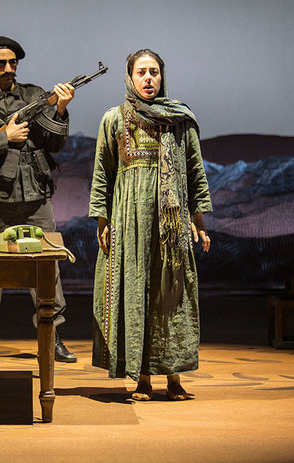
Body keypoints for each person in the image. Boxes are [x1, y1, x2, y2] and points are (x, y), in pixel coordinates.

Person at [88, 49, 212, 401]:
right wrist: (103, 219)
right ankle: (141, 377)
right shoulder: (114, 119)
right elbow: (103, 173)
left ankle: (173, 377)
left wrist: (198, 220)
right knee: (136, 293)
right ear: (129, 76)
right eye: (141, 72)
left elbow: (194, 171)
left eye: (154, 72)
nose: (148, 79)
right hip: (130, 222)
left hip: (170, 225)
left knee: (171, 294)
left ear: (162, 76)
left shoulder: (179, 120)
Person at [0, 36, 77, 364]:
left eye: (13, 63)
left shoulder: (36, 96)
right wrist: (2, 137)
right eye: (1, 63)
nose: (8, 69)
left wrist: (61, 108)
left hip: (35, 195)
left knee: (46, 268)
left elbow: (55, 143)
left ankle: (52, 335)